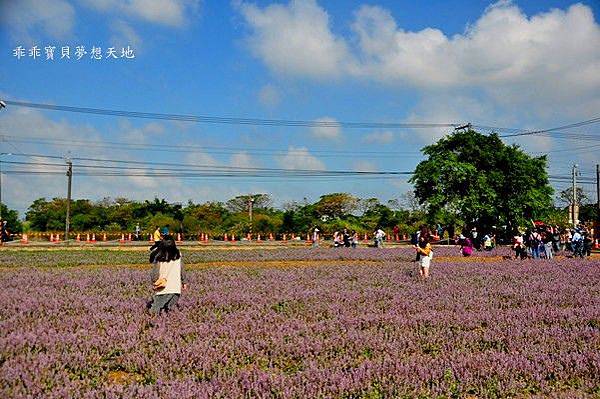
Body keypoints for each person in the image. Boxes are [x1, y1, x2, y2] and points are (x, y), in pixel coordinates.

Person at [148, 236, 186, 315]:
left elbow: (155, 273)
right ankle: (171, 324)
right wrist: (184, 281)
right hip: (175, 287)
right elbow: (182, 269)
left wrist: (154, 281)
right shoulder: (178, 254)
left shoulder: (159, 256)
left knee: (155, 309)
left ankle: (152, 323)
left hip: (163, 287)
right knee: (170, 309)